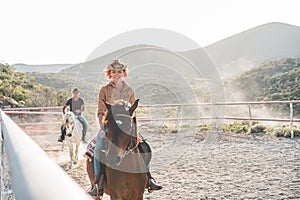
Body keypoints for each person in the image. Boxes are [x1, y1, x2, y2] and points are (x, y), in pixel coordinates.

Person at [88, 59, 162, 196]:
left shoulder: (129, 91)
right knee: (98, 149)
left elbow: (133, 113)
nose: (117, 74)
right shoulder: (104, 90)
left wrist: (134, 131)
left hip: (127, 128)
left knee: (145, 147)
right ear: (110, 73)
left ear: (124, 73)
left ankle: (148, 178)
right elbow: (100, 112)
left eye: (119, 71)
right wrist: (102, 129)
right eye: (114, 72)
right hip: (110, 128)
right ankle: (98, 183)